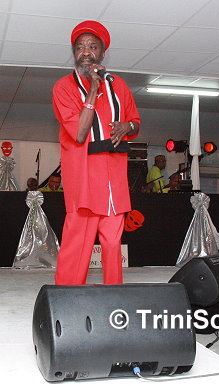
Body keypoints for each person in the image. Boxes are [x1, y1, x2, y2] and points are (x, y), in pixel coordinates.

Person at [52, 20, 140, 285]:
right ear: (74, 53)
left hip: (114, 182)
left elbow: (136, 122)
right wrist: (93, 87)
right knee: (77, 246)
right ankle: (66, 298)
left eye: (92, 46)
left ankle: (114, 295)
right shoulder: (64, 87)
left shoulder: (119, 85)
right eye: (80, 47)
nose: (86, 52)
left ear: (103, 52)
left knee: (113, 245)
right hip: (85, 182)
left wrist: (127, 126)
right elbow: (79, 133)